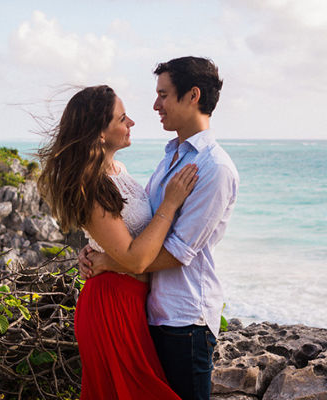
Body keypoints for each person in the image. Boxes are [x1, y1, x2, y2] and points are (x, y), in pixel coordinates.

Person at [80, 56, 238, 400]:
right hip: (149, 311)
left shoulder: (213, 168)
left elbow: (178, 251)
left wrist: (109, 262)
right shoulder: (172, 157)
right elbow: (140, 228)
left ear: (192, 95)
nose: (155, 105)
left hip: (185, 319)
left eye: (163, 95)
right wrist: (103, 249)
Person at [37, 85, 198, 400]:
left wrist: (102, 255)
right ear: (99, 132)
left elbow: (120, 243)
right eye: (122, 118)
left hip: (134, 301)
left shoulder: (117, 171)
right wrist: (170, 203)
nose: (132, 123)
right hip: (111, 305)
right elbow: (135, 259)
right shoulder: (92, 185)